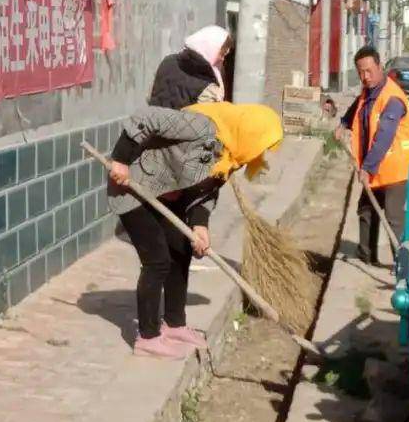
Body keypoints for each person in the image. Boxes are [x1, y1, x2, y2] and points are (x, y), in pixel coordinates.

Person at [108, 103, 283, 359]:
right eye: (263, 144)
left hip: (165, 197)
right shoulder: (202, 127)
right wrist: (121, 159)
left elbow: (208, 191)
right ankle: (147, 337)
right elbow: (145, 117)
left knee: (180, 249)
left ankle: (175, 324)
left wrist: (200, 224)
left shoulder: (231, 154)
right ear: (252, 132)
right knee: (156, 261)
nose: (262, 153)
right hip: (134, 187)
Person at [338, 45, 409, 266]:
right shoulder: (370, 91)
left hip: (394, 170)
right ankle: (366, 256)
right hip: (376, 168)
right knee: (366, 211)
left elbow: (384, 137)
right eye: (361, 72)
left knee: (393, 220)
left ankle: (401, 267)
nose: (365, 76)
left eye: (369, 71)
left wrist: (367, 168)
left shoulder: (392, 99)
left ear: (380, 67)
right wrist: (344, 123)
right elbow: (359, 105)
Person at [148, 25, 232, 109]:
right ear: (212, 49)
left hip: (155, 119)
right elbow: (208, 119)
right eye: (221, 54)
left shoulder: (168, 61)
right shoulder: (208, 87)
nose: (222, 59)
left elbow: (151, 96)